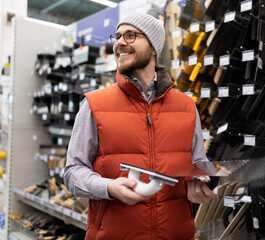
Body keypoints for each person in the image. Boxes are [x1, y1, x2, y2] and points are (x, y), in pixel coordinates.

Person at [64, 12, 214, 240]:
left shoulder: (186, 106)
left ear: (154, 47)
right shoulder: (94, 104)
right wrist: (108, 187)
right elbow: (72, 172)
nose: (119, 43)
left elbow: (198, 164)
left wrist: (200, 184)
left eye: (131, 35)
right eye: (118, 36)